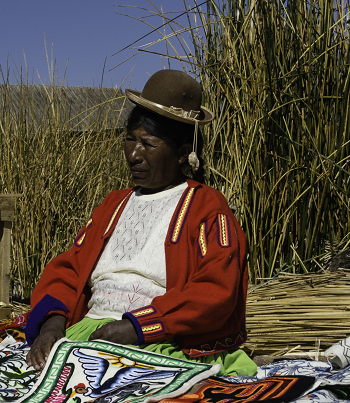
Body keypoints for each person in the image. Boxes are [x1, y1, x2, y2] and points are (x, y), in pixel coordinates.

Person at [25, 70, 254, 374]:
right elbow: (69, 270)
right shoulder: (113, 204)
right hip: (88, 333)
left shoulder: (206, 207)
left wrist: (138, 327)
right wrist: (52, 326)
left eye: (148, 144)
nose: (133, 154)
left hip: (159, 339)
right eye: (130, 140)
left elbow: (216, 289)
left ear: (183, 154)